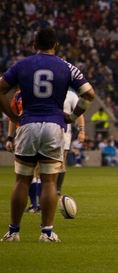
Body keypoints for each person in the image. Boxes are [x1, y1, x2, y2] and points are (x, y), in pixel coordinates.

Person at [0, 27, 95, 242]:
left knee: (22, 180)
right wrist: (71, 117)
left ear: (34, 45)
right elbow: (89, 94)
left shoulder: (21, 65)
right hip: (54, 125)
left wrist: (13, 117)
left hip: (28, 124)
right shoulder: (67, 67)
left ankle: (14, 232)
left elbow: (1, 88)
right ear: (56, 46)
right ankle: (47, 233)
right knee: (50, 182)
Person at [57, 89, 86, 195]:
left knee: (62, 160)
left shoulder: (71, 95)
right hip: (47, 129)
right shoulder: (51, 92)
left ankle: (57, 189)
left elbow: (79, 113)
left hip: (64, 132)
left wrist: (81, 131)